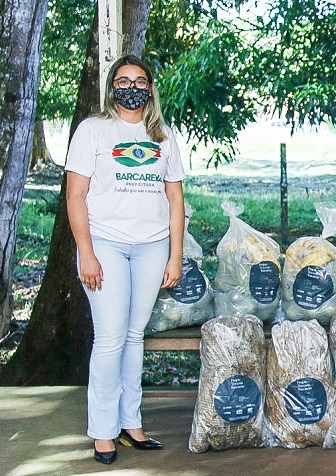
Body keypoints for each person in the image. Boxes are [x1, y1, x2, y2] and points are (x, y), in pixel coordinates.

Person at [66, 54, 185, 464]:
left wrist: (175, 255)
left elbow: (174, 197)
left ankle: (130, 424)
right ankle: (102, 431)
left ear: (150, 88)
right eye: (122, 80)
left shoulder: (163, 135)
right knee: (111, 337)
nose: (130, 87)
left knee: (135, 336)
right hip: (106, 245)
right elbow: (75, 195)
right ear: (112, 87)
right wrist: (87, 252)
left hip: (151, 246)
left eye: (139, 80)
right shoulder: (93, 131)